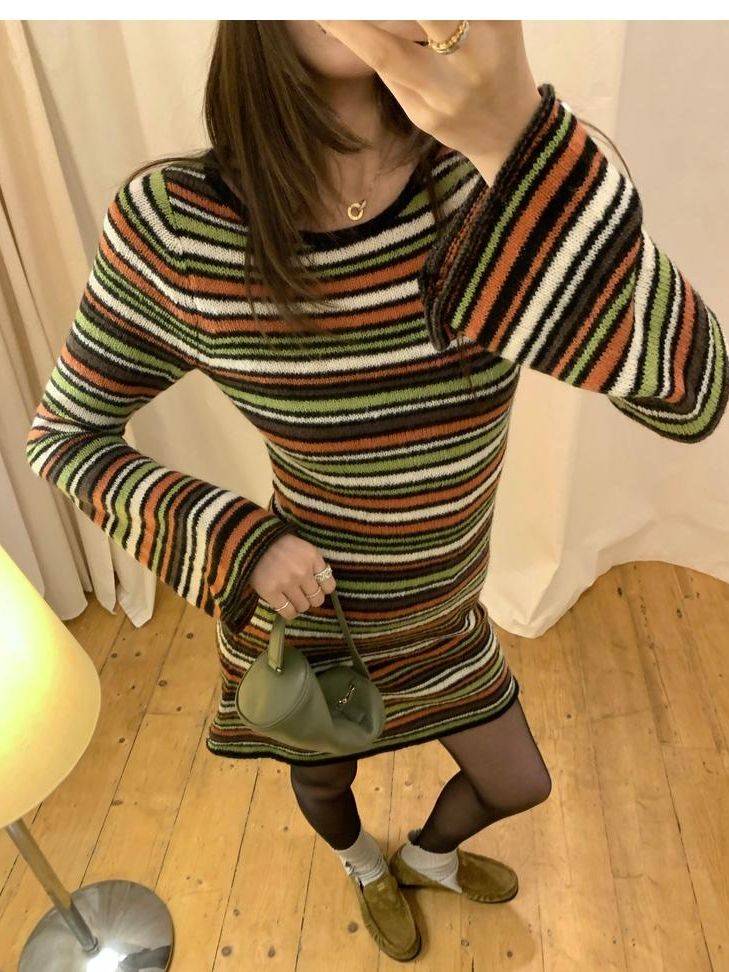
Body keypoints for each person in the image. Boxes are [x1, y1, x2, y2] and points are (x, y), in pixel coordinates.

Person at [25, 20, 728, 964]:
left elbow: (691, 398)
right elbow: (66, 436)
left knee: (517, 781)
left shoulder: (499, 183)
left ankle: (427, 859)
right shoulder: (181, 226)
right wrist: (239, 542)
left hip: (444, 609)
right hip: (317, 618)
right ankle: (363, 866)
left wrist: (516, 138)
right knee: (324, 778)